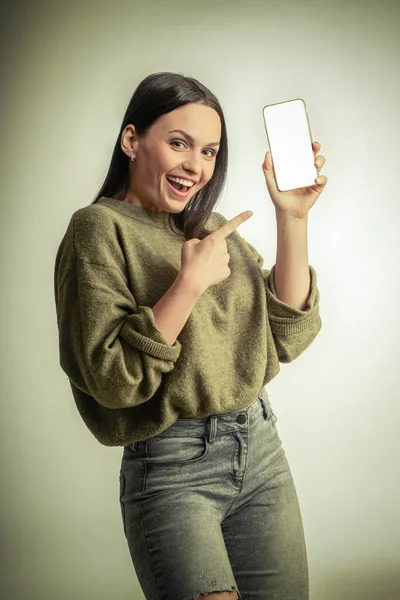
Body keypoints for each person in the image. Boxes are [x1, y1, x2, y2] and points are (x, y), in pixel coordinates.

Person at [53, 72, 327, 600]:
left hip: (261, 452)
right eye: (178, 143)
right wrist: (188, 283)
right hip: (173, 469)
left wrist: (292, 218)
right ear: (132, 140)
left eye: (209, 151)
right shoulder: (97, 229)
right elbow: (114, 381)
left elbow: (286, 333)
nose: (195, 166)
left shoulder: (208, 228)